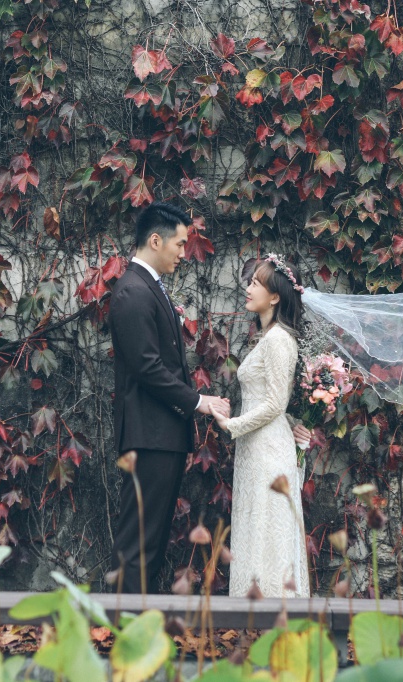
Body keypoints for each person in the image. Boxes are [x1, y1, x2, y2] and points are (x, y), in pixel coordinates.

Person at [108, 203, 308, 594]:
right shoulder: (132, 292)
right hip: (148, 437)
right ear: (155, 240)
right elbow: (148, 368)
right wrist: (200, 403)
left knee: (149, 543)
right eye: (180, 244)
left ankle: (137, 627)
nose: (184, 253)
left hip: (161, 437)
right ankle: (123, 631)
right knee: (138, 543)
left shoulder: (147, 287)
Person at [210, 254, 311, 598]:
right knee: (255, 530)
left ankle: (274, 618)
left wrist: (231, 424)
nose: (248, 287)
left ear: (276, 296)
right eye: (250, 281)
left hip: (268, 451)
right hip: (257, 448)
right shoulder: (267, 337)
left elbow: (275, 404)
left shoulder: (280, 339)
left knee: (268, 534)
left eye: (256, 283)